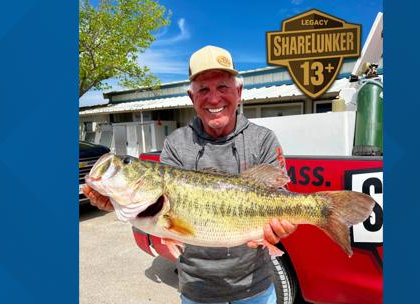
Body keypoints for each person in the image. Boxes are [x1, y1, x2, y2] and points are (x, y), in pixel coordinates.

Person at [82, 45, 297, 304]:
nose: (214, 99)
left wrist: (282, 227)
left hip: (256, 289)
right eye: (203, 89)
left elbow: (282, 199)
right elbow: (156, 217)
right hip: (197, 291)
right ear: (191, 96)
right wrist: (116, 201)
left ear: (238, 92)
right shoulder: (176, 143)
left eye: (223, 87)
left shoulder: (262, 139)